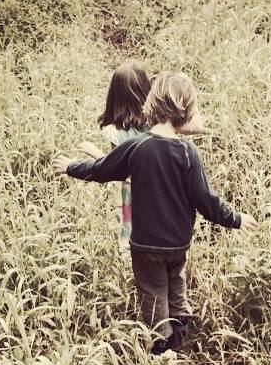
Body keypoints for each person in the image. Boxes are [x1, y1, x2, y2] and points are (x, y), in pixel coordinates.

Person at [53, 73, 257, 354]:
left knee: (152, 291)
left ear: (152, 102)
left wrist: (70, 167)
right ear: (187, 112)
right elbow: (206, 200)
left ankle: (161, 341)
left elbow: (100, 170)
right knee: (176, 279)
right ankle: (182, 322)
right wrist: (235, 218)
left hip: (146, 244)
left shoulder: (137, 147)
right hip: (178, 243)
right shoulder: (188, 152)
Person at [78, 62, 204, 244]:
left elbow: (119, 168)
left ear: (113, 95)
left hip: (138, 196)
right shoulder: (160, 121)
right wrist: (185, 82)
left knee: (139, 241)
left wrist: (96, 153)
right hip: (169, 187)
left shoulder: (117, 132)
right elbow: (198, 126)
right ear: (148, 89)